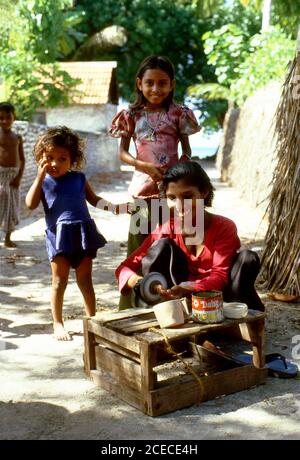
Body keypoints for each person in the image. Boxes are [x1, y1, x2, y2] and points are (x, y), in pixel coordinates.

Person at [110, 55, 201, 308]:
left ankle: (171, 303)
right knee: (138, 250)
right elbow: (122, 153)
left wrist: (179, 169)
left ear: (172, 84)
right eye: (149, 83)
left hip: (172, 198)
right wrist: (143, 166)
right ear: (139, 84)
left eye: (162, 83)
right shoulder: (131, 115)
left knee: (172, 246)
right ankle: (129, 308)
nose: (155, 89)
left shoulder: (178, 114)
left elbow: (186, 151)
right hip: (142, 195)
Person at [115, 161, 265, 311]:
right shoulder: (167, 229)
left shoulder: (224, 227)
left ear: (204, 192)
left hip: (223, 296)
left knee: (247, 258)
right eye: (172, 198)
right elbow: (125, 267)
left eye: (187, 196)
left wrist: (191, 289)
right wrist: (140, 282)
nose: (179, 205)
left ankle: (242, 319)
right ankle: (165, 310)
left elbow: (219, 276)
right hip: (179, 296)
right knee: (160, 247)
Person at [26, 126, 127, 341]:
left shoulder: (79, 178)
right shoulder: (43, 182)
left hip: (82, 233)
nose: (55, 163)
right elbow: (30, 204)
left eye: (62, 159)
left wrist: (115, 207)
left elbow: (94, 199)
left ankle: (92, 319)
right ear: (41, 158)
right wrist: (38, 177)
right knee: (59, 281)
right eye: (50, 158)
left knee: (85, 280)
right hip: (59, 236)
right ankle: (58, 323)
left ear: (72, 160)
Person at [0, 102, 25, 247]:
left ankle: (8, 238)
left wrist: (19, 177)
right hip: (0, 176)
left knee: (11, 207)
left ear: (14, 117)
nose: (5, 121)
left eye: (8, 117)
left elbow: (22, 159)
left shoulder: (18, 137)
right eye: (1, 118)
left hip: (13, 178)